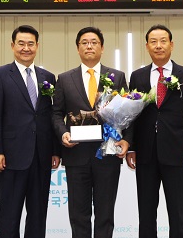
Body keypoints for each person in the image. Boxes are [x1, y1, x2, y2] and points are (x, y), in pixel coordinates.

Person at [0, 25, 61, 238]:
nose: (26, 48)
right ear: (12, 46)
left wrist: (55, 150)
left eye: (30, 44)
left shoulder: (47, 77)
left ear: (37, 46)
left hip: (41, 156)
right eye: (21, 43)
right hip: (10, 157)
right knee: (10, 215)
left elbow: (51, 115)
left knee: (38, 214)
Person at [126, 24, 183, 238]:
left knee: (178, 212)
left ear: (171, 44)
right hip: (145, 153)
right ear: (147, 46)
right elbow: (132, 114)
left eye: (163, 41)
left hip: (176, 152)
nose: (158, 46)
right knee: (146, 212)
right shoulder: (137, 76)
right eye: (153, 42)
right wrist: (131, 147)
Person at [52, 26, 128, 238]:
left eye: (94, 42)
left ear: (102, 48)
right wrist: (63, 134)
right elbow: (56, 114)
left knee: (105, 214)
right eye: (84, 43)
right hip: (76, 155)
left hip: (108, 154)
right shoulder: (64, 79)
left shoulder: (117, 76)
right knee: (78, 215)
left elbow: (127, 113)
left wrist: (127, 141)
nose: (89, 46)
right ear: (78, 48)